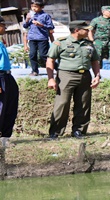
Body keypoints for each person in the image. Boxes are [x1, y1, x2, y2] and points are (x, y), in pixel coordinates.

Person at [46, 21, 101, 139]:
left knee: (83, 104)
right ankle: (55, 132)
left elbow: (95, 61)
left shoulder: (89, 44)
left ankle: (79, 131)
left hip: (85, 76)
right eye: (86, 29)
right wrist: (50, 79)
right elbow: (50, 60)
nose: (88, 32)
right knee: (62, 104)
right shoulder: (60, 43)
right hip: (66, 76)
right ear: (77, 30)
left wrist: (97, 76)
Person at [0, 16, 19, 145]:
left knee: (10, 107)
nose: (5, 27)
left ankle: (5, 138)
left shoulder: (1, 41)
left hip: (7, 76)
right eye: (2, 25)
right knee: (1, 107)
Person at [22, 1, 55, 76]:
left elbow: (51, 27)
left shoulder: (45, 16)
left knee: (43, 55)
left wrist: (41, 25)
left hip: (42, 38)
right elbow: (25, 26)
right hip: (32, 38)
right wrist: (27, 19)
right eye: (32, 6)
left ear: (41, 7)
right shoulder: (30, 15)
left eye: (36, 6)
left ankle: (56, 68)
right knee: (32, 54)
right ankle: (34, 71)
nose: (34, 8)